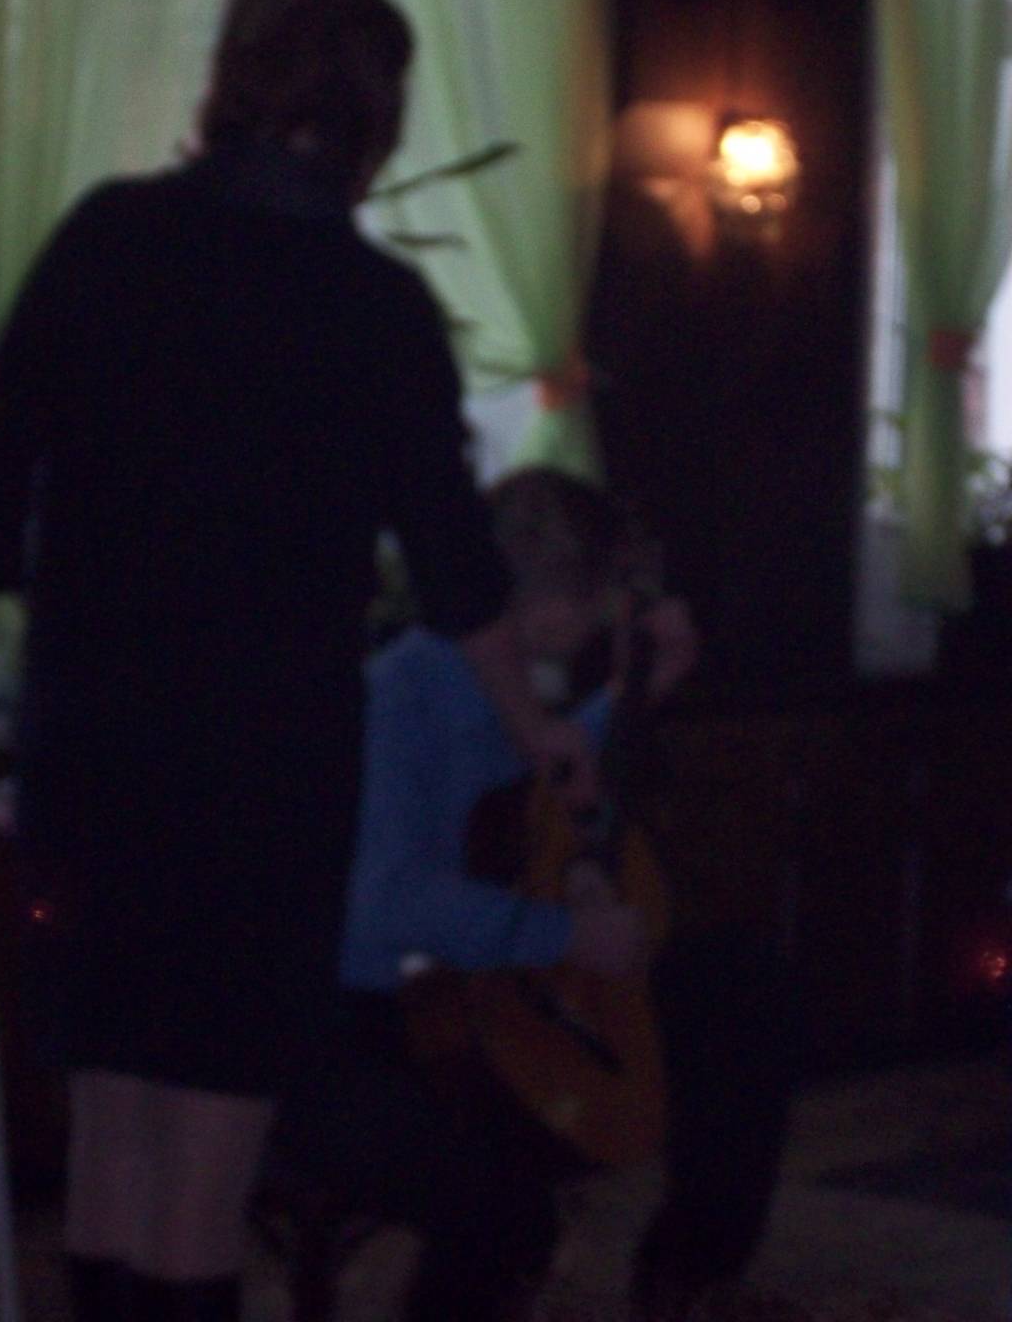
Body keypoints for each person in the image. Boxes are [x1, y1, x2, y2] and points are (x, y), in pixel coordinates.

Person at [0, 0, 598, 1322]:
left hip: (92, 761)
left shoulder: (105, 238)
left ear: (237, 78)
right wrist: (539, 725)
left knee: (113, 1135)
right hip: (259, 780)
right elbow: (458, 576)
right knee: (204, 1164)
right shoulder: (373, 309)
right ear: (375, 116)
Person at [270, 466, 796, 1322]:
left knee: (740, 986)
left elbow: (536, 793)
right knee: (501, 1209)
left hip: (488, 1003)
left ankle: (689, 1274)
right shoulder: (399, 696)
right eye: (596, 603)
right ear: (554, 605)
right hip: (363, 1031)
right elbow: (385, 903)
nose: (596, 624)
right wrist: (562, 935)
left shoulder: (506, 692)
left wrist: (640, 691)